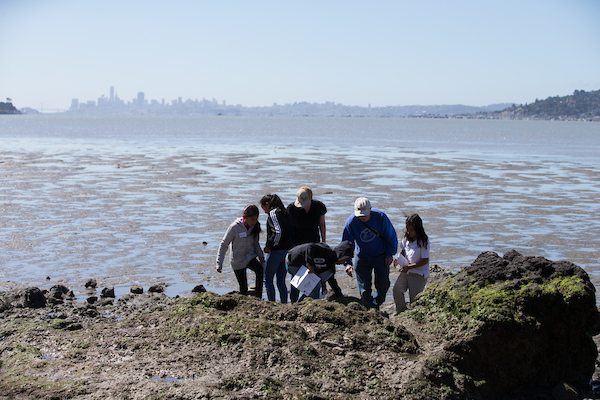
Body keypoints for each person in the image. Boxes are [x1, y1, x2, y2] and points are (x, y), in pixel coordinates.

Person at [287, 186, 342, 300]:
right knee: (297, 276)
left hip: (314, 243)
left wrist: (323, 241)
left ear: (311, 198)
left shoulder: (319, 206)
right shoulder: (292, 208)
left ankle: (311, 298)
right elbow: (288, 228)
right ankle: (293, 301)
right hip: (298, 245)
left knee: (314, 275)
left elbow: (322, 224)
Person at [342, 197, 397, 308]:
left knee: (383, 285)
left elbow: (391, 236)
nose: (362, 218)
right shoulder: (351, 222)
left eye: (365, 215)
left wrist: (389, 254)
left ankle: (376, 303)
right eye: (360, 215)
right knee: (364, 288)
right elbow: (346, 244)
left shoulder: (380, 217)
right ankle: (369, 308)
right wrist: (347, 263)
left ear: (370, 209)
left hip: (380, 255)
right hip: (362, 257)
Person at [216, 204, 264, 297]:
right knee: (243, 289)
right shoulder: (234, 227)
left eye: (256, 219)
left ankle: (258, 296)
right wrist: (219, 263)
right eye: (252, 219)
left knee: (260, 270)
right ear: (244, 217)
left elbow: (256, 244)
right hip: (237, 260)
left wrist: (261, 256)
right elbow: (224, 244)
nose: (254, 222)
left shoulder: (255, 226)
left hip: (250, 257)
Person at [285, 241, 354, 300]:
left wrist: (339, 295)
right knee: (314, 286)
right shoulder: (327, 252)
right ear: (342, 255)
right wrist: (310, 264)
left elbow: (331, 280)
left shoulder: (330, 265)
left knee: (311, 285)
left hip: (299, 265)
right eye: (346, 259)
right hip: (293, 260)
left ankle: (300, 304)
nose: (344, 262)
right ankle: (312, 306)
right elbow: (310, 246)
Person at [392, 214, 430, 313]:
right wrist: (398, 259)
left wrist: (409, 267)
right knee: (397, 289)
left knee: (415, 300)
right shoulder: (406, 238)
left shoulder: (423, 241)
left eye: (411, 230)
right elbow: (404, 251)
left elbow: (425, 260)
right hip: (406, 271)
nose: (409, 232)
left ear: (418, 229)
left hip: (418, 273)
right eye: (407, 229)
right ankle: (401, 312)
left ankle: (414, 315)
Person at [260, 194, 293, 303]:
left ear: (267, 204)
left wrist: (269, 246)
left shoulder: (274, 213)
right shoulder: (286, 212)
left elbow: (278, 232)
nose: (264, 212)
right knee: (281, 280)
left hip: (276, 251)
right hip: (287, 251)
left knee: (268, 279)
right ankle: (284, 302)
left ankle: (271, 303)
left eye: (263, 208)